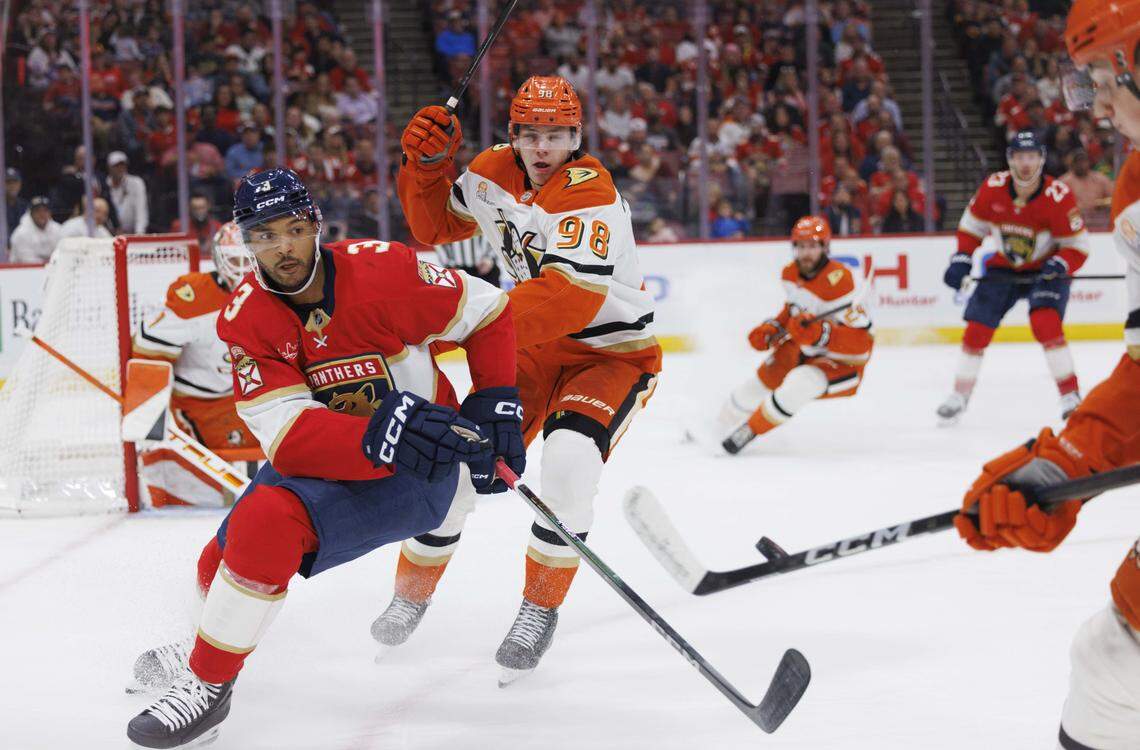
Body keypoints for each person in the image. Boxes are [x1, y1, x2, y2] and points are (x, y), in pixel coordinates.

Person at [125, 167, 523, 749]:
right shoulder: (247, 319)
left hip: (417, 470)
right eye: (264, 235)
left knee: (265, 525)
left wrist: (494, 401)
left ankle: (207, 686)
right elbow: (288, 437)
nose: (282, 248)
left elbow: (488, 312)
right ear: (245, 242)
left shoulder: (386, 270)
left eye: (292, 229)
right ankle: (205, 647)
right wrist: (383, 426)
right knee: (223, 557)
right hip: (329, 453)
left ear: (315, 225)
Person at [389, 75, 661, 683]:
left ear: (577, 136)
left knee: (568, 464)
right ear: (513, 134)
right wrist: (424, 167)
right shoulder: (490, 170)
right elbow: (432, 227)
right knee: (453, 468)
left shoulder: (589, 189)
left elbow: (570, 298)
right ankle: (410, 595)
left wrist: (463, 321)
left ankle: (538, 611)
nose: (544, 148)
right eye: (532, 134)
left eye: (557, 135)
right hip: (530, 350)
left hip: (609, 356)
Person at [954, 3, 1140, 748]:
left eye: (1101, 76)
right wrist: (1068, 458)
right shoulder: (1133, 191)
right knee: (1114, 661)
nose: (1093, 102)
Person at [937, 130, 1091, 425]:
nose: (1025, 164)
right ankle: (959, 395)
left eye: (1032, 157)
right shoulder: (993, 187)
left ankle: (1070, 395)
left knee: (1046, 323)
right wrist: (962, 258)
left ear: (1042, 160)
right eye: (1020, 157)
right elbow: (972, 228)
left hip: (1046, 269)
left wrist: (1059, 264)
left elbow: (1079, 247)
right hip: (1004, 267)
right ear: (1010, 160)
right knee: (977, 329)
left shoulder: (1057, 196)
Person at [130, 222, 261, 508]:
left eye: (248, 260)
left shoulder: (278, 295)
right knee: (197, 493)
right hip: (199, 406)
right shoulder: (195, 298)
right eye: (234, 260)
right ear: (218, 260)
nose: (242, 270)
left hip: (250, 400)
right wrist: (147, 409)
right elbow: (146, 350)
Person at [719, 215, 873, 453]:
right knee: (757, 384)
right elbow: (793, 309)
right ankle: (718, 425)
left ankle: (750, 429)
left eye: (812, 246)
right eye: (801, 246)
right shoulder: (791, 273)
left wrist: (822, 335)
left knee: (800, 383)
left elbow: (862, 345)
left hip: (842, 362)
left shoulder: (841, 281)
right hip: (802, 347)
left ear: (824, 247)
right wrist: (774, 328)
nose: (806, 253)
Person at [434, 232, 500, 287]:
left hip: (484, 269)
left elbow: (494, 236)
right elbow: (439, 243)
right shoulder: (449, 220)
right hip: (457, 270)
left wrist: (489, 259)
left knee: (493, 297)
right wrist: (449, 265)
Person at [8, 196, 62, 263]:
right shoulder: (21, 233)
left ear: (50, 213)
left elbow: (62, 254)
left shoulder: (57, 229)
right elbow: (27, 261)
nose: (42, 214)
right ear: (31, 214)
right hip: (22, 271)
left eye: (45, 210)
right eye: (38, 211)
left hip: (51, 269)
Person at [106, 151, 149, 234]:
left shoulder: (136, 183)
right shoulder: (104, 184)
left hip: (133, 233)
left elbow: (141, 211)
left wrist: (139, 234)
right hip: (110, 234)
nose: (120, 168)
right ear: (109, 167)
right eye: (116, 166)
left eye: (122, 165)